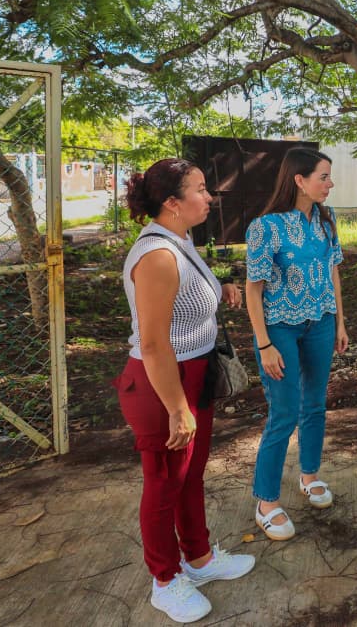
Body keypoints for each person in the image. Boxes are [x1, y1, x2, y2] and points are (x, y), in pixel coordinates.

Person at [117, 158, 254, 623]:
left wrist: (222, 290)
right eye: (199, 189)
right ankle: (164, 579)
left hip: (195, 374)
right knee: (163, 483)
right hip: (161, 384)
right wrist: (177, 407)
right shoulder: (157, 255)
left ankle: (198, 557)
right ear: (172, 203)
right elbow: (154, 343)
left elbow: (186, 301)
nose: (209, 196)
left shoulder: (180, 240)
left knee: (190, 474)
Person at [244, 147, 349, 541]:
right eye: (323, 176)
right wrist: (265, 343)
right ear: (299, 181)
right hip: (279, 329)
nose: (330, 184)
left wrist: (339, 321)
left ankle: (309, 476)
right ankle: (266, 501)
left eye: (329, 177)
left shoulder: (327, 219)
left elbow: (333, 272)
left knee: (315, 404)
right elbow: (253, 292)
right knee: (284, 412)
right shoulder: (264, 227)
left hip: (320, 323)